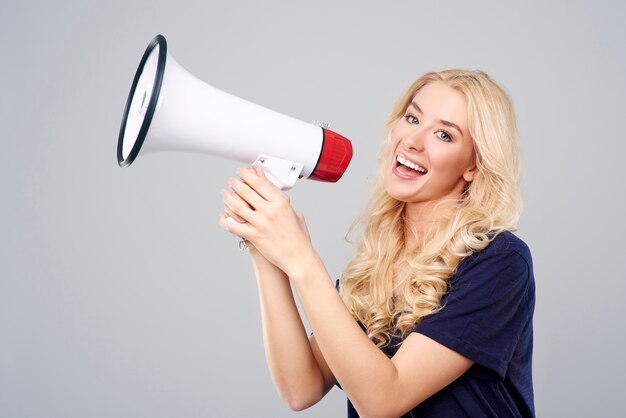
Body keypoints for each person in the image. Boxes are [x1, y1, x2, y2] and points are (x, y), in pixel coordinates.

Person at [219, 69, 535, 417]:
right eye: (412, 118)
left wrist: (302, 260)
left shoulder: (499, 261)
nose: (413, 140)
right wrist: (264, 249)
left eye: (444, 134)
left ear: (473, 166)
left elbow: (384, 400)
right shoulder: (376, 267)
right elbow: (301, 387)